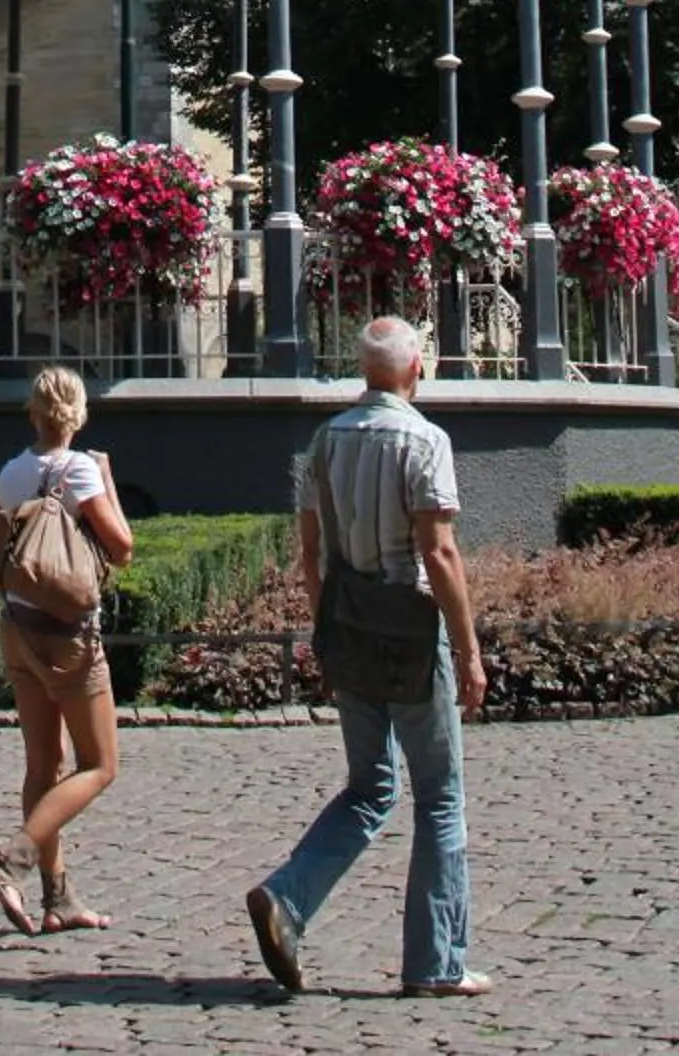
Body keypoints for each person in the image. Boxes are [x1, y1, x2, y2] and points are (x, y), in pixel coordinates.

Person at [246, 315, 490, 1001]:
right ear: (418, 367)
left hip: (348, 622)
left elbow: (311, 552)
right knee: (439, 796)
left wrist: (327, 626)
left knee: (368, 786)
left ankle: (287, 898)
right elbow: (438, 552)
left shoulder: (325, 440)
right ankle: (436, 963)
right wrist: (468, 649)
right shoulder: (425, 440)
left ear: (365, 370)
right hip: (408, 628)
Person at [0, 365, 133, 937]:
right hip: (70, 639)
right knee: (100, 765)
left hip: (18, 630)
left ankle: (58, 897)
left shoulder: (11, 474)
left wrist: (29, 590)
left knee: (43, 764)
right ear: (80, 413)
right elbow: (122, 549)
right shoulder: (83, 470)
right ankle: (10, 860)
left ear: (34, 413)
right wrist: (107, 485)